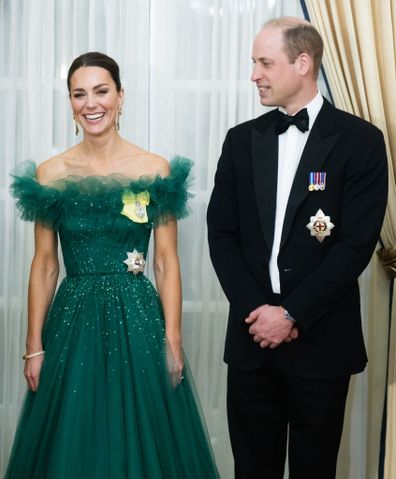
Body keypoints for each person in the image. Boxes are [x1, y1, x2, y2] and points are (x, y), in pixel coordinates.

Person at [5, 51, 219, 478]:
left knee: (143, 439)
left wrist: (173, 339)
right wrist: (34, 345)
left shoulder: (154, 169)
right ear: (69, 102)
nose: (91, 103)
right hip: (72, 321)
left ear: (121, 96)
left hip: (137, 317)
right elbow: (45, 265)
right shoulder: (50, 174)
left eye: (101, 91)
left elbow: (165, 261)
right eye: (79, 94)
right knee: (74, 438)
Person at [207, 16, 388, 479]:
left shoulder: (362, 142)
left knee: (315, 470)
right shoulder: (240, 140)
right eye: (254, 63)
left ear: (303, 63)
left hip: (322, 343)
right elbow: (221, 235)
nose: (254, 74)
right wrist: (259, 314)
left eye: (265, 62)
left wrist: (290, 315)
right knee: (252, 469)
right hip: (252, 343)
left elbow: (355, 246)